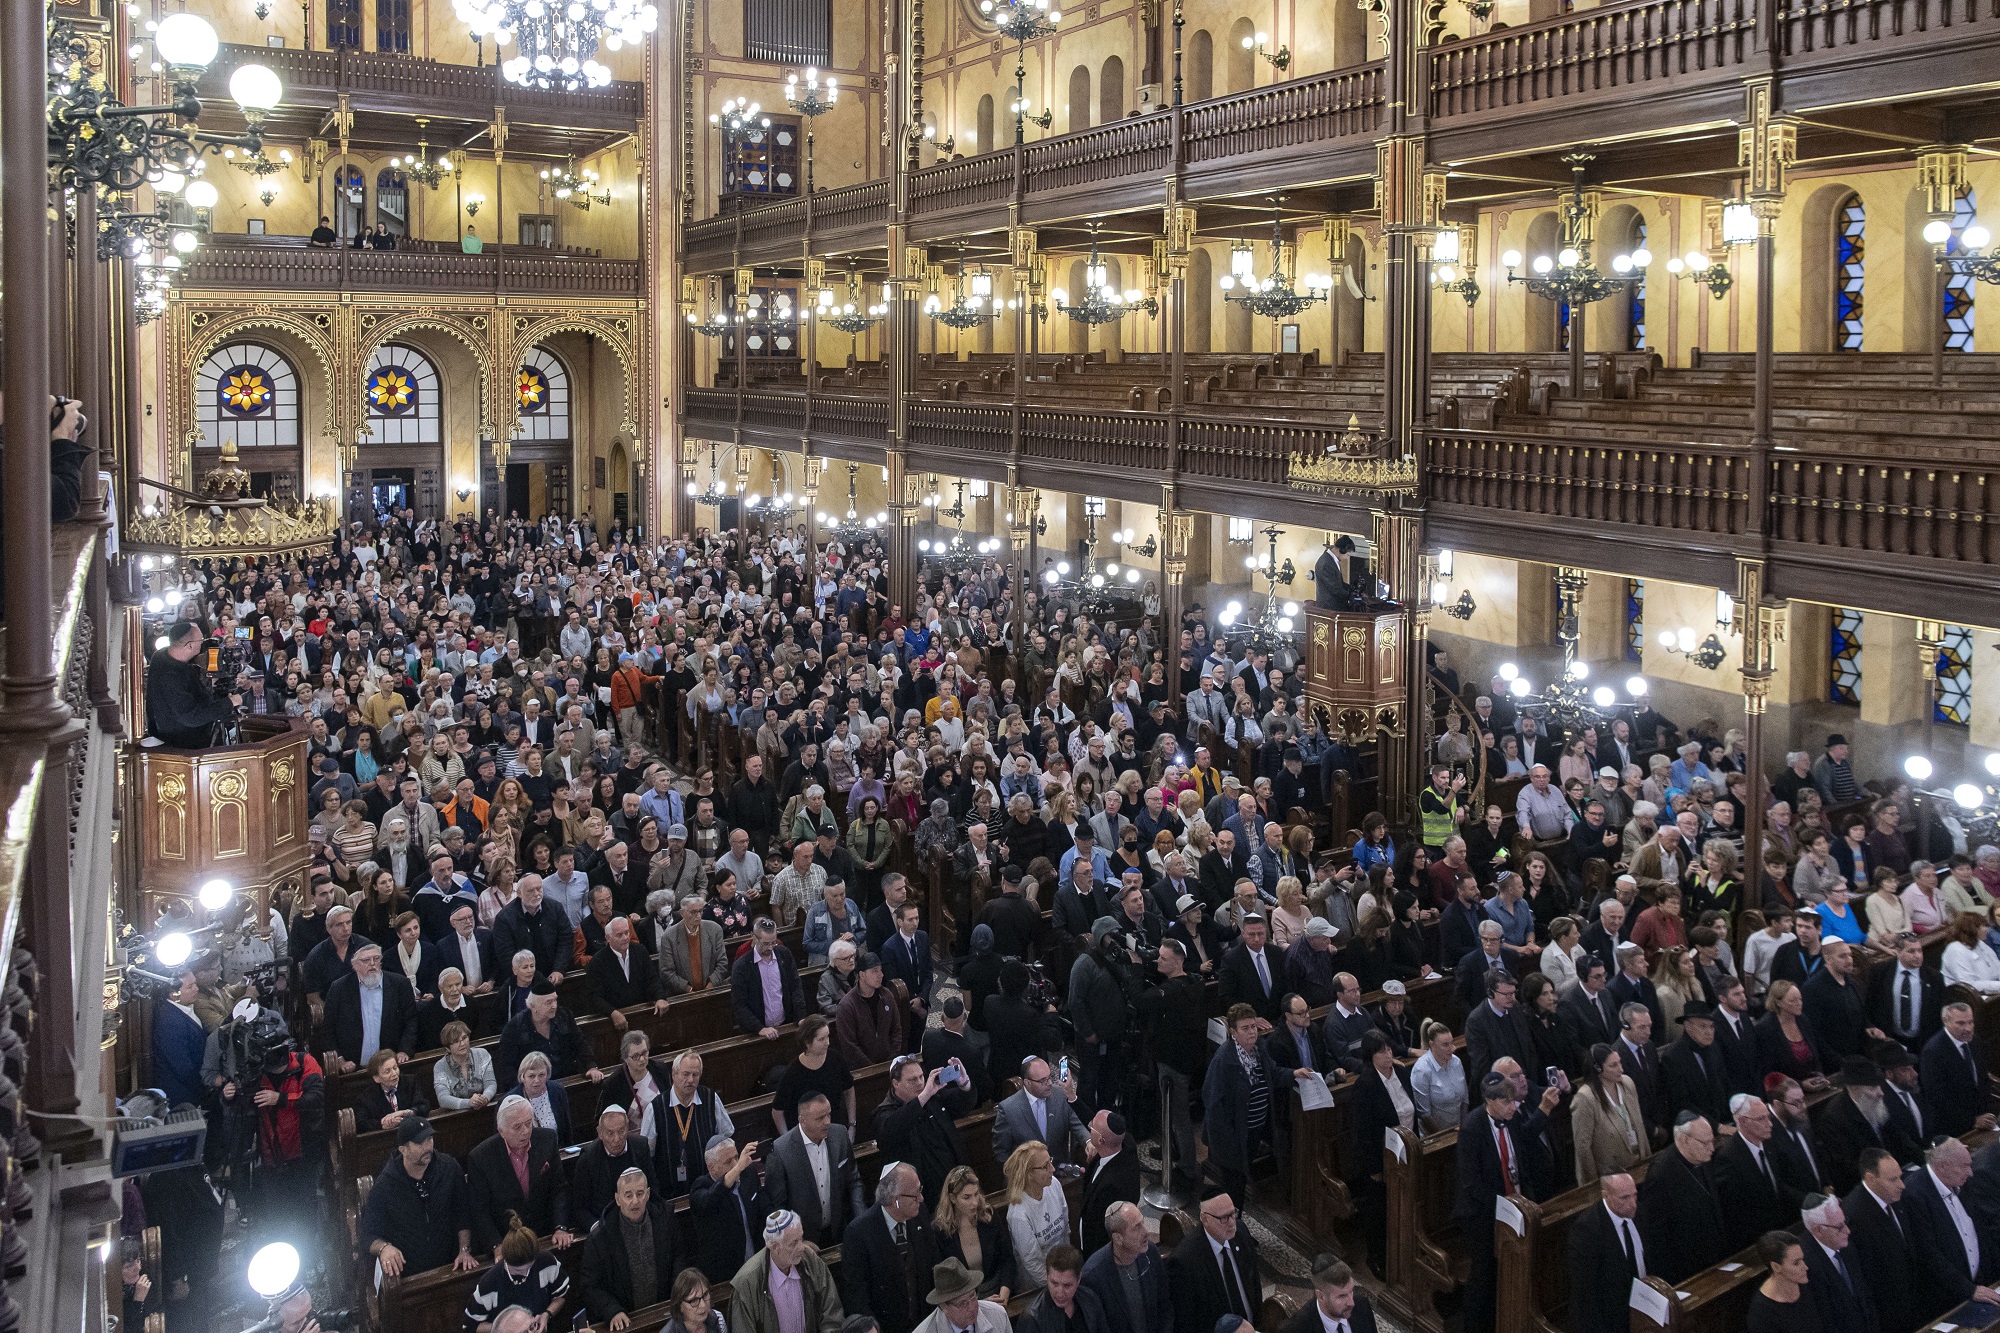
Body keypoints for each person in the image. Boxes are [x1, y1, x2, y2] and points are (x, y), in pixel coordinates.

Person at [1455, 1071, 1559, 1333]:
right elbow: (1471, 1183)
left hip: (1516, 1202)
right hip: (1484, 1213)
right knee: (1484, 1273)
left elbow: (1523, 1138)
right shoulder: (1471, 1129)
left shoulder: (1510, 1118)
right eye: (1507, 1102)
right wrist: (1505, 1208)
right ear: (1489, 1101)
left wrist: (1545, 1109)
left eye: (1514, 1102)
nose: (1514, 1107)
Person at [360, 1117, 478, 1279]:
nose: (427, 1147)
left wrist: (464, 1250)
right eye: (419, 1143)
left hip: (451, 1265)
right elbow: (368, 1235)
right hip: (409, 1274)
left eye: (429, 1139)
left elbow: (463, 1213)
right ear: (403, 1150)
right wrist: (384, 1248)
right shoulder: (384, 1186)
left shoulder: (449, 1168)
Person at [1203, 1003, 1292, 1210]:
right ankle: (1231, 1232)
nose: (1252, 1032)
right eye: (1245, 1028)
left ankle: (1237, 1227)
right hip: (1233, 1137)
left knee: (1242, 1182)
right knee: (1233, 1187)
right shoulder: (1225, 1060)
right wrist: (1230, 1142)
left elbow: (1273, 1073)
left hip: (1254, 1130)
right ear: (1233, 1032)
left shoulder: (1259, 1048)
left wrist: (1294, 1074)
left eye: (1253, 1026)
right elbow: (1213, 1104)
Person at [841, 1161, 941, 1333]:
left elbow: (933, 1262)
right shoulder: (859, 1233)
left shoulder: (920, 1214)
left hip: (925, 1323)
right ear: (895, 1200)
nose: (921, 1199)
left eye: (920, 1190)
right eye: (915, 1194)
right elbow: (857, 1296)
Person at [1346, 1030, 1416, 1275]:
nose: (1388, 1055)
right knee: (1379, 1211)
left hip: (1408, 1153)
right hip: (1380, 1161)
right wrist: (1375, 1168)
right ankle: (1377, 1257)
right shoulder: (1365, 1085)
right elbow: (1362, 1132)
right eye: (1381, 1052)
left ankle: (1405, 1252)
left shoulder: (1403, 1073)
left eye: (1388, 1049)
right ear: (1370, 1057)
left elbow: (1411, 1111)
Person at [467, 1095, 569, 1257]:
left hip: (545, 1234)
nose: (526, 1131)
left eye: (529, 1123)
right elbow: (479, 1210)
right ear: (501, 1131)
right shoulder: (481, 1157)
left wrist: (561, 1227)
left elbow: (558, 1188)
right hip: (506, 1240)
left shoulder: (547, 1139)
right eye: (517, 1127)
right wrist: (496, 1245)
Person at [581, 1168, 680, 1331]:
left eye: (640, 1194)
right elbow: (590, 1286)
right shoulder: (600, 1238)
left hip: (664, 1313)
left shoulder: (665, 1221)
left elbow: (678, 1258)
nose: (635, 1201)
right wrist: (611, 1310)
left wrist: (678, 1295)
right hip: (625, 1322)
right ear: (618, 1199)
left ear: (648, 1195)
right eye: (628, 1195)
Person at [1638, 1112, 1729, 1283]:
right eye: (1705, 1143)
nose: (1712, 1148)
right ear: (1685, 1140)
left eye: (1712, 1141)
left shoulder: (1703, 1158)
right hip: (1686, 1268)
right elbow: (1657, 1237)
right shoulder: (1660, 1176)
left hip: (1714, 1254)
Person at [765, 1093, 865, 1248]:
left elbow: (854, 1181)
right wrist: (796, 1241)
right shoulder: (780, 1151)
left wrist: (861, 1219)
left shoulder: (839, 1134)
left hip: (840, 1231)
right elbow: (778, 1205)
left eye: (828, 1114)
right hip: (803, 1240)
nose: (827, 1122)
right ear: (802, 1120)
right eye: (820, 1118)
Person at [874, 1055, 969, 1212]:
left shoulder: (933, 1098)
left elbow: (963, 1105)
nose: (919, 1083)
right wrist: (923, 1096)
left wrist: (964, 1083)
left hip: (953, 1182)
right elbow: (893, 1129)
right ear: (895, 1083)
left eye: (921, 1077)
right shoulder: (884, 1113)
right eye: (912, 1080)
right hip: (923, 1196)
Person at [730, 1211, 845, 1333]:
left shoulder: (810, 1261)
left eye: (801, 1238)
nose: (801, 1247)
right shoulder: (747, 1283)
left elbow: (832, 1315)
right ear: (775, 1247)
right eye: (794, 1243)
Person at [1166, 1187, 1262, 1333]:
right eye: (1224, 1218)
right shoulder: (1185, 1261)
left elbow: (1254, 1282)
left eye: (1233, 1214)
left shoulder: (1241, 1232)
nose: (1231, 1223)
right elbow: (1186, 1322)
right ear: (1205, 1219)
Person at [318, 941, 419, 1073]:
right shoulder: (339, 989)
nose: (372, 964)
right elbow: (328, 1029)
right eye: (366, 960)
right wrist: (340, 1059)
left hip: (392, 1064)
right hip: (353, 1067)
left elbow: (411, 1021)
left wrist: (404, 1050)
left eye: (376, 959)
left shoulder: (400, 984)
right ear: (355, 965)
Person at [462, 1212, 571, 1333]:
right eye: (517, 1270)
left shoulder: (546, 1262)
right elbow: (471, 1326)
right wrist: (505, 1329)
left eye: (528, 1268)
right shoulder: (490, 1283)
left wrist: (547, 1314)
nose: (524, 1274)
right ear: (505, 1261)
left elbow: (561, 1295)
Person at [1566, 1172, 1645, 1333]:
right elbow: (1585, 1294)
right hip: (1610, 1319)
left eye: (1634, 1195)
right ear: (1605, 1196)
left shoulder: (1640, 1213)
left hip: (1643, 1308)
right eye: (1624, 1198)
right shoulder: (1587, 1230)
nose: (1632, 1204)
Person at [567, 1104, 659, 1240]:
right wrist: (597, 1228)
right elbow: (580, 1207)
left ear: (627, 1129)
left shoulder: (640, 1146)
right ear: (600, 1133)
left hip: (640, 1221)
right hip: (606, 1230)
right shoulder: (588, 1158)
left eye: (621, 1131)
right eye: (610, 1133)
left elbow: (653, 1188)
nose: (617, 1139)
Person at [1078, 1202, 1169, 1333]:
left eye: (1142, 1223)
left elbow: (1164, 1302)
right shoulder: (1093, 1276)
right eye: (1136, 1227)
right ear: (1118, 1238)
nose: (1146, 1232)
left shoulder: (1150, 1252)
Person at [146, 619, 240, 746]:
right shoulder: (170, 677)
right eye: (201, 640)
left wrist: (195, 660)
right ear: (189, 646)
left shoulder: (160, 655)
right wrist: (229, 703)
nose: (202, 644)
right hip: (184, 742)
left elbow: (179, 661)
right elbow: (192, 717)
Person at [931, 1165, 1014, 1303]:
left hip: (997, 1290)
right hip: (962, 1299)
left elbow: (1007, 1258)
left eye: (976, 1194)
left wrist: (1003, 1295)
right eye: (967, 1197)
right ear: (952, 1198)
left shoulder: (988, 1216)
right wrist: (978, 1302)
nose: (974, 1203)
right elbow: (942, 1283)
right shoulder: (939, 1231)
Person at [1571, 1043, 1649, 1185]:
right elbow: (1583, 1147)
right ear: (1598, 1068)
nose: (1621, 1069)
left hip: (1639, 1162)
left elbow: (1640, 1126)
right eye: (1613, 1065)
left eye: (1620, 1063)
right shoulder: (1585, 1098)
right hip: (1612, 1175)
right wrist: (1594, 1183)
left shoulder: (1627, 1083)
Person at [1797, 1194, 1878, 1331]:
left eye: (1844, 1221)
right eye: (1839, 1227)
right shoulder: (1806, 1263)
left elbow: (1863, 1292)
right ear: (1818, 1230)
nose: (1847, 1230)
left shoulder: (1844, 1244)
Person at [993, 1055, 1089, 1169]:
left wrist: (1088, 1142)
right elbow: (1001, 1153)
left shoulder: (1061, 1095)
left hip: (1060, 1171)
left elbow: (1078, 1125)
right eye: (1042, 1080)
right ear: (1027, 1083)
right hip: (1028, 1179)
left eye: (1049, 1077)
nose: (1049, 1083)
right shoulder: (1008, 1109)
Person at [1003, 1141, 1071, 1293]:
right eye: (1045, 1166)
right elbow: (1033, 1262)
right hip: (1038, 1285)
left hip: (1063, 1271)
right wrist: (1055, 1289)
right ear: (1028, 1173)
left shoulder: (1054, 1185)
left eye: (1050, 1162)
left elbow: (1066, 1228)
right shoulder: (1018, 1214)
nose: (1052, 1169)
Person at [1077, 1110, 1140, 1258]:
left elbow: (1101, 1231)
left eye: (1091, 1127)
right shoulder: (1126, 1143)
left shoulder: (1111, 1186)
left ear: (1101, 1140)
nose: (1089, 1125)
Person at [732, 917, 805, 1038]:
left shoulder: (784, 954)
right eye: (765, 944)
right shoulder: (742, 966)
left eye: (773, 942)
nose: (770, 948)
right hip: (758, 1032)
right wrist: (759, 1028)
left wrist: (801, 1016)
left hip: (786, 1024)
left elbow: (795, 987)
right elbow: (739, 1004)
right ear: (754, 938)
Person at [1014, 1245, 1105, 1333]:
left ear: (1079, 1279)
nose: (1060, 1293)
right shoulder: (1032, 1318)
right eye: (1054, 1283)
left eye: (1067, 1285)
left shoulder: (1090, 1299)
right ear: (1046, 1276)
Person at [1277, 1255, 1378, 1333]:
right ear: (1321, 1296)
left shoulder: (1362, 1305)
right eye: (1342, 1296)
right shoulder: (1297, 1329)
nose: (1351, 1303)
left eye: (1351, 1291)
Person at [910, 1257, 1009, 1333]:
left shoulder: (997, 1315)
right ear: (943, 1306)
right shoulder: (925, 1330)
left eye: (973, 1297)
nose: (972, 1308)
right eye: (962, 1304)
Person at [1745, 1231, 1816, 1333]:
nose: (1805, 1267)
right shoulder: (1762, 1314)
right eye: (1796, 1263)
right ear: (1776, 1267)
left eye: (1803, 1259)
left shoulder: (1810, 1282)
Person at [661, 892, 729, 994]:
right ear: (682, 913)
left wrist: (710, 986)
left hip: (712, 991)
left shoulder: (714, 930)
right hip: (683, 995)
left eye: (700, 911)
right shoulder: (669, 936)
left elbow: (722, 963)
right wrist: (688, 989)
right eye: (693, 912)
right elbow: (667, 971)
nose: (698, 916)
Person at [662, 1268, 729, 1333]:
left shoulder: (718, 1318)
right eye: (694, 1300)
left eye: (705, 1295)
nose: (703, 1305)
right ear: (680, 1306)